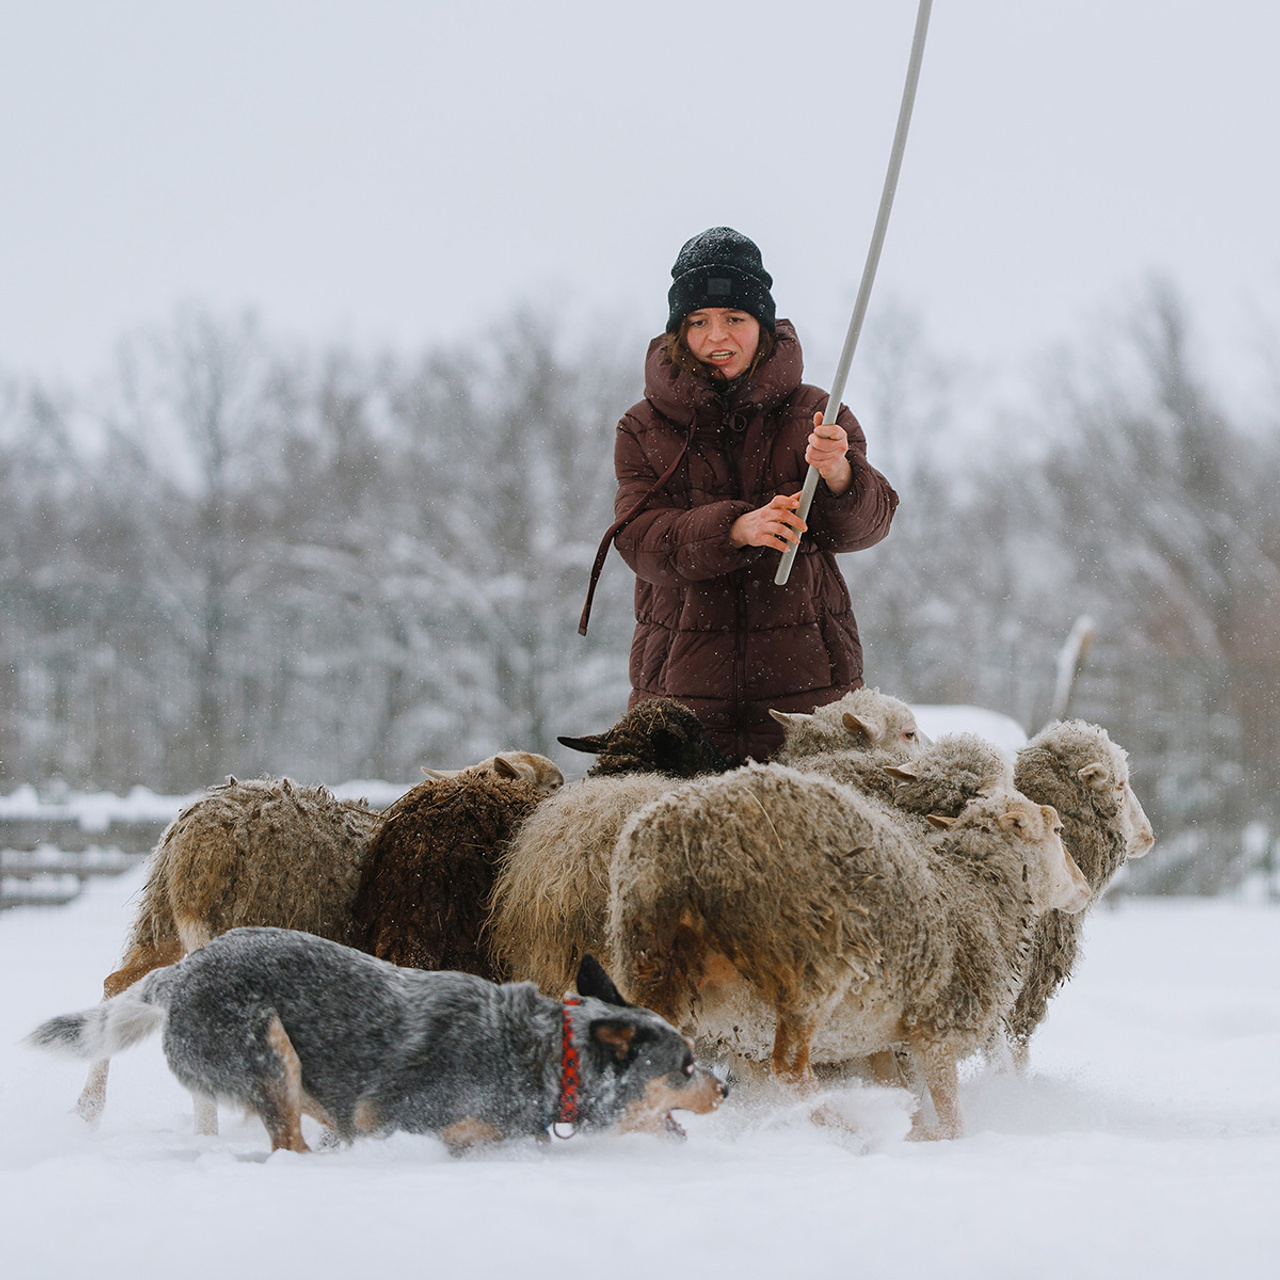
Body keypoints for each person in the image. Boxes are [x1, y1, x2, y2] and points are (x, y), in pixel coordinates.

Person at [579, 226, 899, 763]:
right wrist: (735, 528)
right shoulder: (641, 427)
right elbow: (639, 543)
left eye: (735, 319)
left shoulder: (821, 410)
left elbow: (871, 524)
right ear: (678, 331)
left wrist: (841, 474)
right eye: (698, 322)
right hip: (679, 704)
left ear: (764, 325)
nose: (716, 337)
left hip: (809, 696)